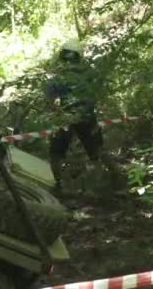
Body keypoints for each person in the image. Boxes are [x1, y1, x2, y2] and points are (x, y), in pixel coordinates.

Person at [45, 40, 119, 193]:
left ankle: (59, 186)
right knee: (97, 151)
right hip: (87, 116)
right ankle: (114, 178)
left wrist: (58, 113)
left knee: (56, 154)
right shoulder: (90, 73)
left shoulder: (59, 75)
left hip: (65, 117)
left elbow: (51, 99)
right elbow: (97, 93)